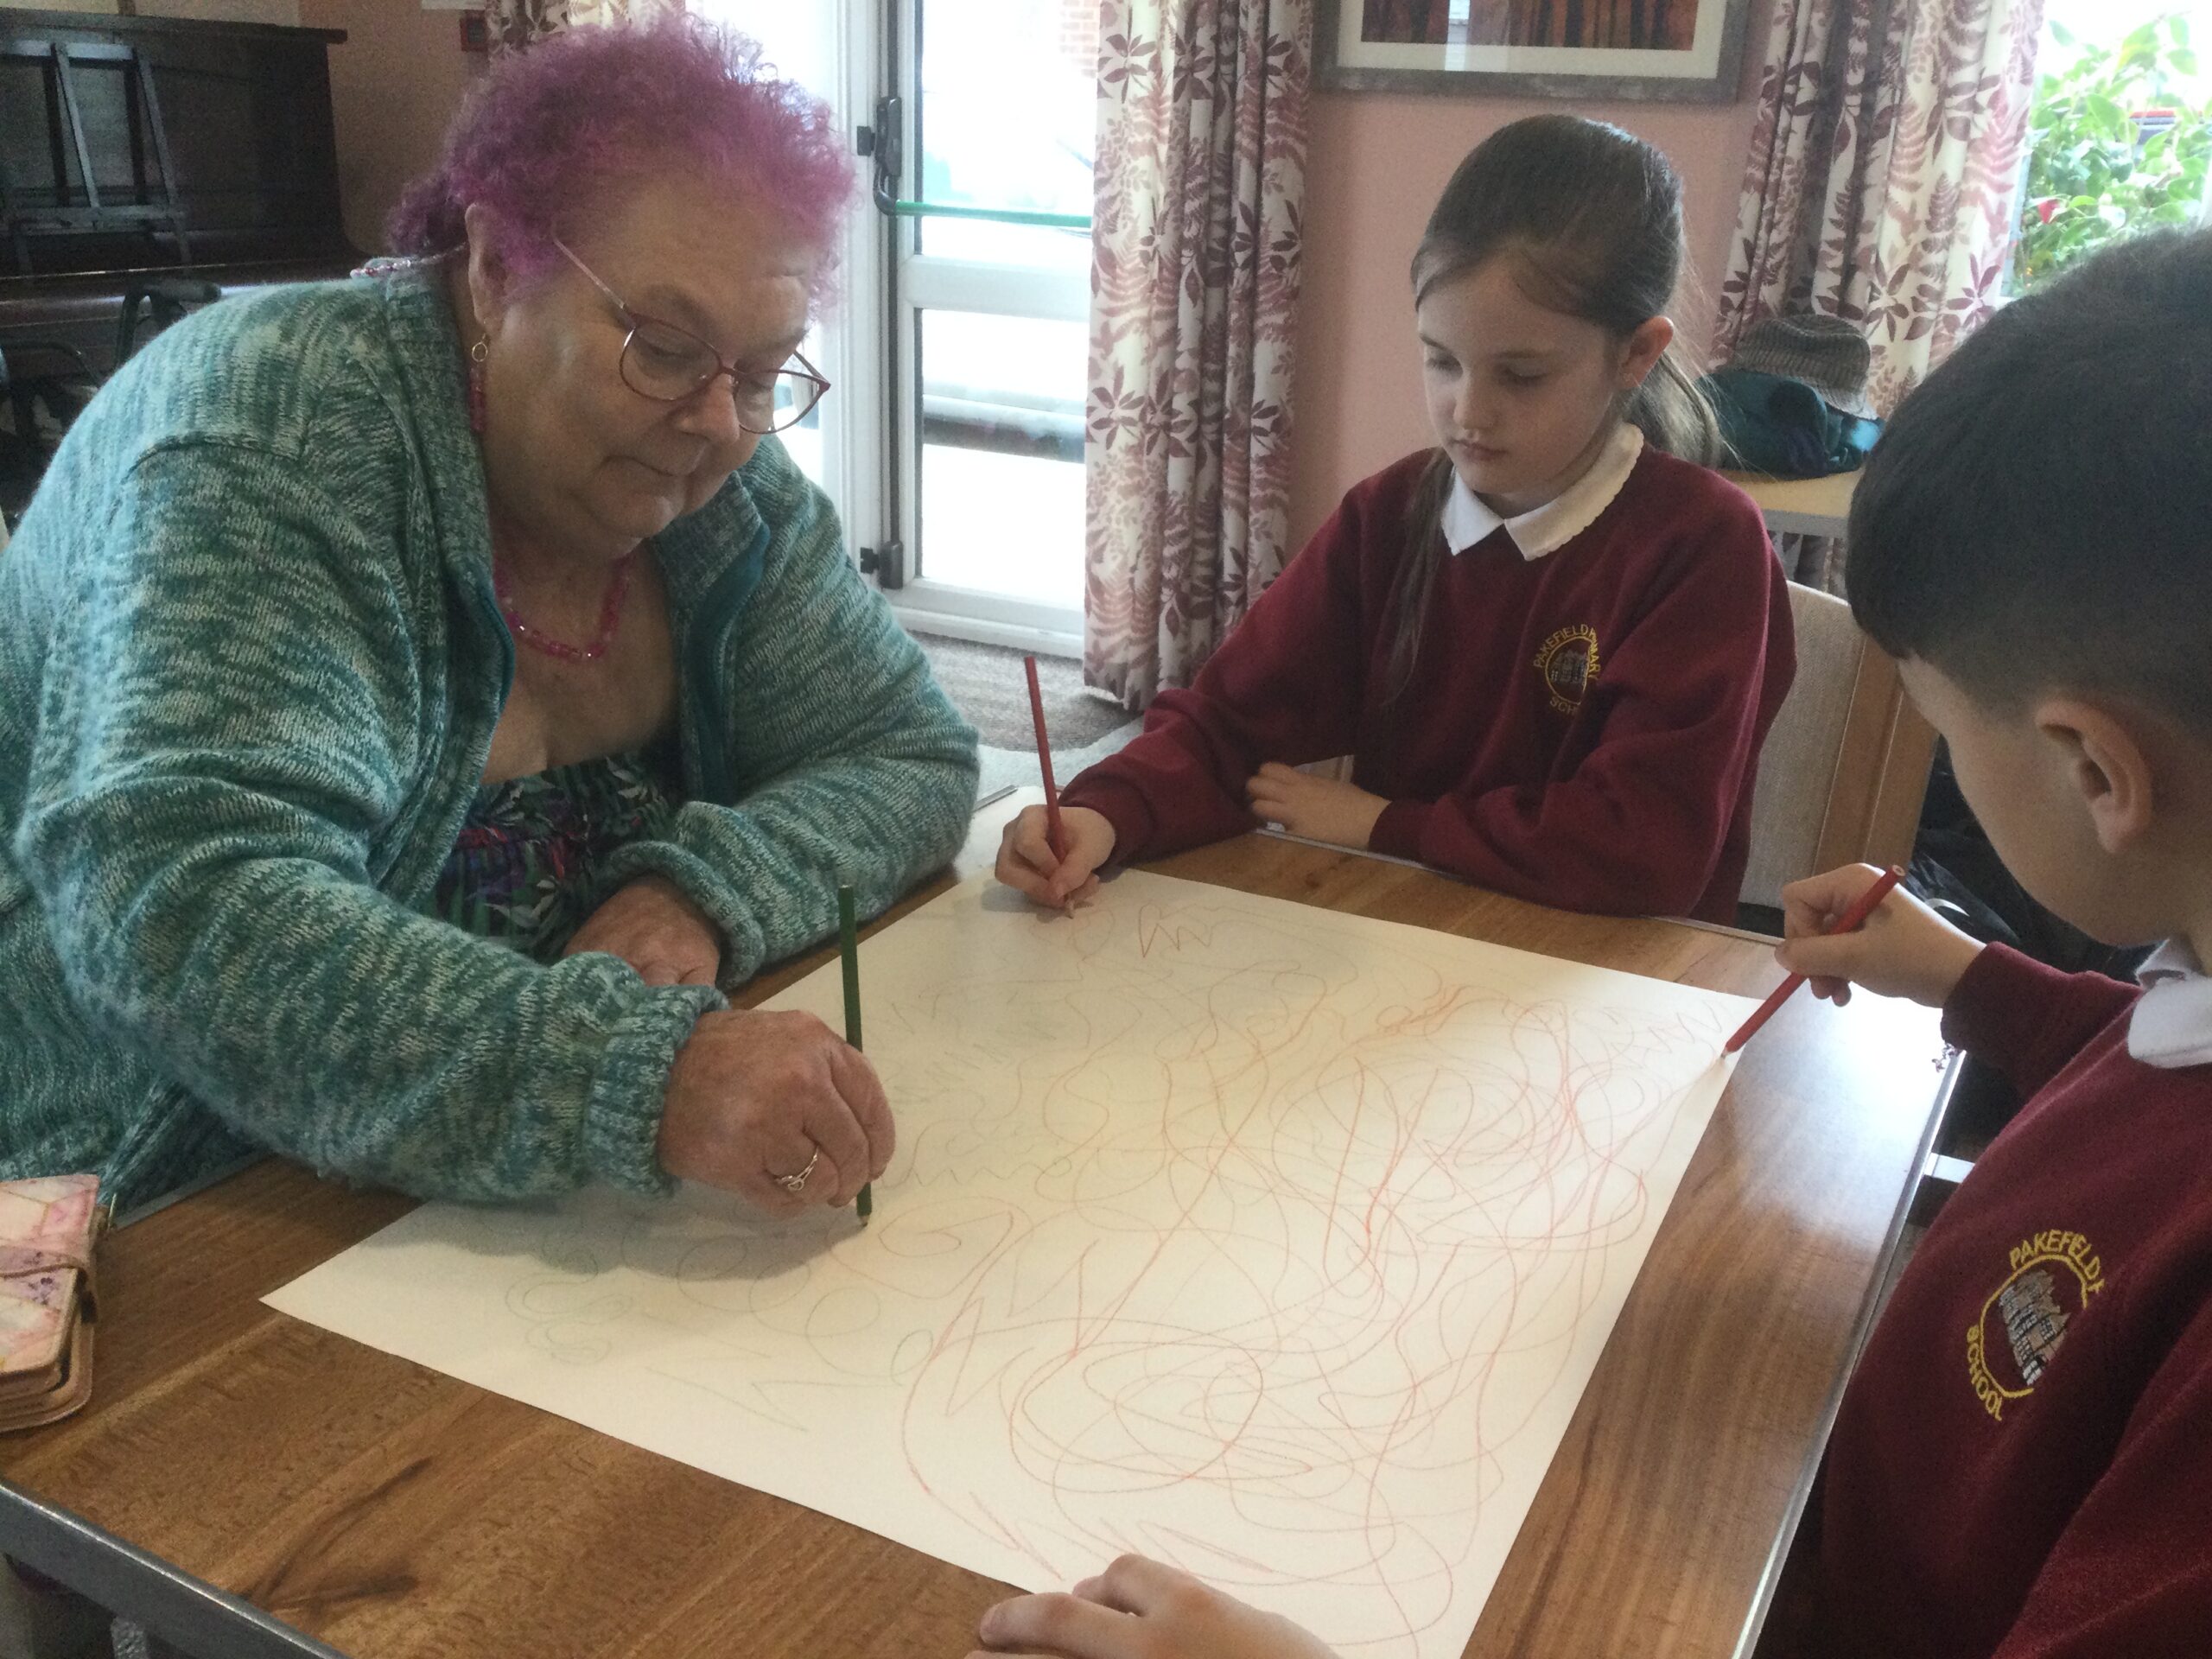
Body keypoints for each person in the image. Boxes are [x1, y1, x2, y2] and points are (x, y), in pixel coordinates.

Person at [967, 227, 2212, 1659]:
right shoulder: (2176, 991)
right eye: (1443, 363)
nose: (1467, 408)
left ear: (2096, 774)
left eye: (1938, 723)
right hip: (1826, 1528)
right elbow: (2141, 1082)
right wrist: (1982, 981)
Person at [0, 19, 978, 1217]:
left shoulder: (719, 490)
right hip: (180, 1182)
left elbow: (905, 751)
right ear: (494, 270)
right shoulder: (277, 436)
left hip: (516, 1212)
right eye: (663, 347)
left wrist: (699, 889)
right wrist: (634, 1072)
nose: (724, 423)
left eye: (767, 370)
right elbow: (181, 915)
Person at [997, 114, 1793, 925]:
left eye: (1521, 376)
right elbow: (1229, 724)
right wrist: (1106, 813)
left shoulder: (1703, 544)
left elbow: (1643, 850)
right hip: (1412, 941)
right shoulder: (1388, 515)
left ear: (1636, 355)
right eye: (1441, 361)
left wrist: (1387, 825)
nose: (1468, 412)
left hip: (1614, 977)